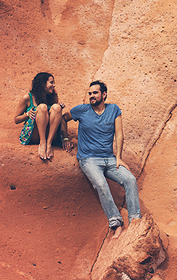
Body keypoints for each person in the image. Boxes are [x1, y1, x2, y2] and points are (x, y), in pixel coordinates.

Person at [64, 80, 141, 239]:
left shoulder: (113, 109)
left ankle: (135, 221)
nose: (91, 96)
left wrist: (118, 157)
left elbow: (119, 134)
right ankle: (116, 224)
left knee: (130, 180)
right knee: (101, 184)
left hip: (109, 159)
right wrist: (64, 138)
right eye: (90, 93)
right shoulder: (81, 110)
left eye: (95, 93)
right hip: (89, 159)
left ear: (103, 94)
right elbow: (62, 118)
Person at [14, 72, 72, 160]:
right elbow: (16, 119)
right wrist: (27, 114)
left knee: (56, 107)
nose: (54, 85)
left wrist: (59, 108)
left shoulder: (53, 97)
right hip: (34, 134)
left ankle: (48, 144)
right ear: (42, 83)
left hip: (50, 135)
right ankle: (42, 143)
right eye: (51, 82)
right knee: (42, 107)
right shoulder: (27, 98)